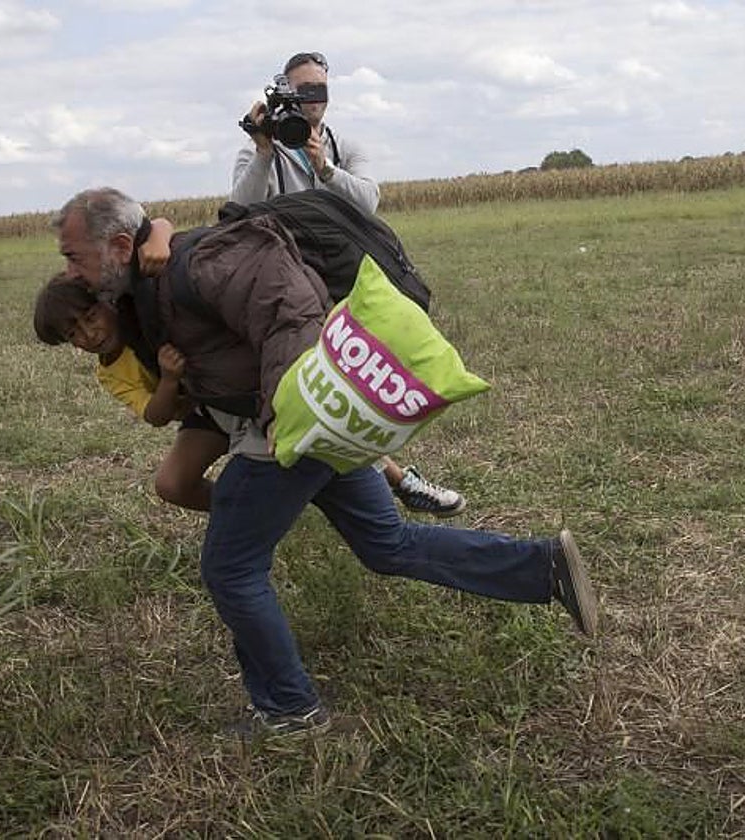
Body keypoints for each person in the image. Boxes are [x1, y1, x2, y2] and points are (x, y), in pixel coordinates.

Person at [48, 186, 599, 738]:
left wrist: (282, 415)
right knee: (388, 545)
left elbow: (288, 310)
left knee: (230, 569)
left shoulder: (200, 260)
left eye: (73, 256)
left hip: (287, 430)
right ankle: (543, 566)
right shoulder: (141, 279)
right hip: (316, 426)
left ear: (120, 245)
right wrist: (158, 233)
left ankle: (290, 708)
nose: (70, 271)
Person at [231, 50, 464, 518]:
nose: (312, 98)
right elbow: (238, 210)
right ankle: (395, 481)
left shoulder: (344, 145)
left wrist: (326, 169)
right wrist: (263, 152)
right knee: (324, 385)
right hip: (286, 280)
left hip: (342, 277)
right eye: (302, 90)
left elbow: (368, 202)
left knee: (352, 381)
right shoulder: (259, 148)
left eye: (319, 89)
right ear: (284, 94)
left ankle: (378, 481)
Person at [34, 272, 228, 511]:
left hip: (231, 389)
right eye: (73, 334)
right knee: (171, 485)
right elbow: (155, 416)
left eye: (91, 317)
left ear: (108, 300)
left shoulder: (146, 312)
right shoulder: (110, 372)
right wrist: (169, 381)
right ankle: (242, 510)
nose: (89, 335)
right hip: (205, 414)